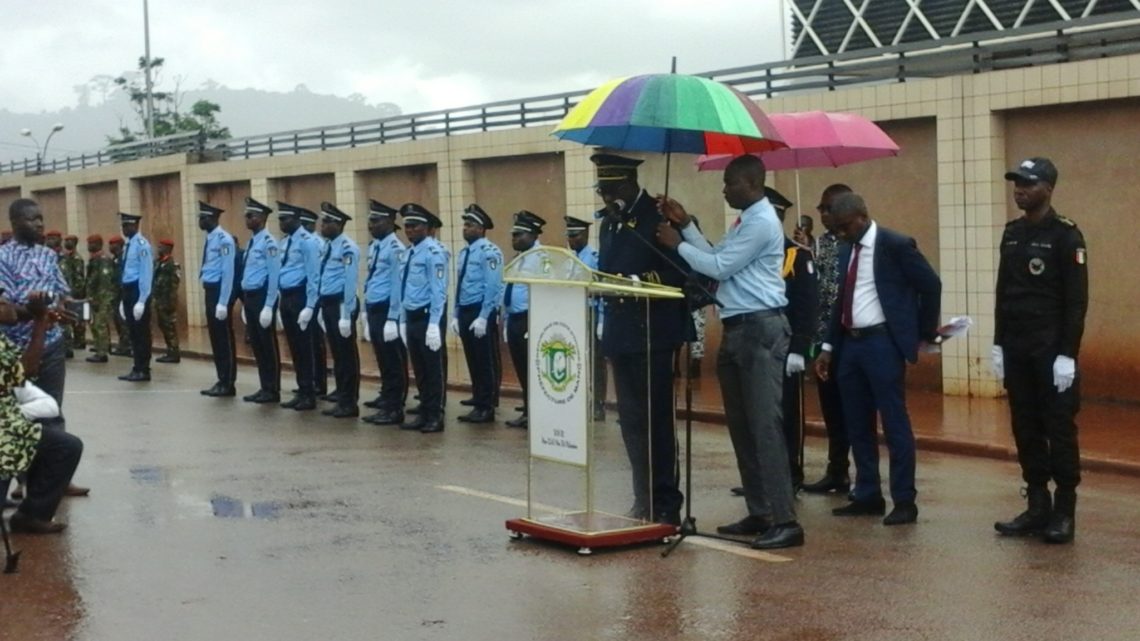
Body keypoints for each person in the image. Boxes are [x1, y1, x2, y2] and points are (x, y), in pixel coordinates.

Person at [657, 154, 803, 549]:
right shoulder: (745, 221)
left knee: (765, 427)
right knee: (741, 426)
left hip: (760, 329)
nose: (724, 190)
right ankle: (761, 512)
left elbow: (718, 267)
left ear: (752, 184)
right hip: (738, 328)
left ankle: (786, 520)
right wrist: (686, 225)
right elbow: (716, 257)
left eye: (730, 183)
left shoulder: (761, 222)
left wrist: (677, 245)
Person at [814, 193, 942, 526]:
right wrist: (828, 347)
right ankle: (867, 492)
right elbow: (840, 300)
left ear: (861, 217)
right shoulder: (847, 249)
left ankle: (904, 500)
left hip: (882, 344)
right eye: (837, 229)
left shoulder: (895, 245)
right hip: (850, 346)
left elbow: (931, 285)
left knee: (894, 422)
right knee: (857, 422)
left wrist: (923, 332)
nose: (840, 234)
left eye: (844, 227)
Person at [992, 158, 1088, 544]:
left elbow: (1077, 301)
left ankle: (1064, 511)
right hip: (1017, 349)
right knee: (1025, 426)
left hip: (1051, 353)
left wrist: (1068, 353)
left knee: (1059, 429)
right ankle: (1036, 505)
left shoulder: (1067, 236)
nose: (1019, 189)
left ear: (1048, 188)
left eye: (1028, 183)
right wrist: (998, 343)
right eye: (1016, 183)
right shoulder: (1012, 233)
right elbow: (1003, 293)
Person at [592, 152, 689, 527]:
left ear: (627, 184)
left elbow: (680, 272)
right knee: (631, 422)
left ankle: (666, 502)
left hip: (654, 331)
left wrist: (636, 284)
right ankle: (643, 497)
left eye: (609, 189)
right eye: (601, 189)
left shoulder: (657, 216)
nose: (603, 197)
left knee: (657, 421)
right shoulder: (610, 224)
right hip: (621, 332)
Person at [0, 198, 88, 498]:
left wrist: (72, 307)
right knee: (19, 415)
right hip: (17, 350)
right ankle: (24, 482)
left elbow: (61, 293)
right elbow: (6, 309)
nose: (39, 224)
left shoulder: (49, 256)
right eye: (31, 219)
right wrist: (34, 310)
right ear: (14, 223)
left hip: (50, 344)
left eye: (40, 218)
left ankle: (56, 479)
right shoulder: (4, 258)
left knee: (52, 411)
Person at [0, 291, 84, 534]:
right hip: (4, 433)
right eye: (1, 301)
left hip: (9, 427)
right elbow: (26, 370)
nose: (6, 303)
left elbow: (26, 369)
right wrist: (38, 323)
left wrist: (41, 318)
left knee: (65, 446)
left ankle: (31, 514)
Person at [802, 184, 859, 495]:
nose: (823, 214)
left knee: (855, 409)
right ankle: (837, 470)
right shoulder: (821, 244)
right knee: (831, 409)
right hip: (823, 338)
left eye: (829, 208)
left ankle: (866, 478)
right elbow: (819, 288)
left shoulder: (856, 242)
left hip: (851, 339)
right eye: (821, 209)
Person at [767, 187, 818, 490]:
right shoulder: (754, 251)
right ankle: (765, 473)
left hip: (787, 345)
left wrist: (800, 348)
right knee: (761, 412)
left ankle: (791, 471)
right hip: (760, 343)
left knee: (788, 411)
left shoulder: (797, 256)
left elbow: (807, 305)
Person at [395, 203, 448, 433]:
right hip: (413, 316)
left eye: (414, 226)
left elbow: (439, 291)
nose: (409, 230)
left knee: (433, 369)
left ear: (426, 228)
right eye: (407, 226)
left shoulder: (434, 253)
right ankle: (424, 412)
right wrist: (403, 319)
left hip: (428, 317)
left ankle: (435, 416)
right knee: (419, 369)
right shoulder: (408, 253)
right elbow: (405, 288)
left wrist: (435, 324)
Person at [452, 204, 503, 425]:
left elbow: (493, 286)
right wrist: (455, 313)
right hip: (465, 309)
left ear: (482, 229)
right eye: (465, 225)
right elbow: (460, 285)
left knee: (485, 360)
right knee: (472, 357)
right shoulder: (464, 253)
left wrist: (484, 316)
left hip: (480, 310)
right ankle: (478, 394)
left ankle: (486, 406)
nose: (465, 229)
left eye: (470, 225)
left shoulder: (490, 252)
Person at [360, 200, 409, 426]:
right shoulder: (376, 246)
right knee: (382, 358)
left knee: (392, 361)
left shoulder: (396, 249)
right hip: (374, 308)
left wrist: (393, 318)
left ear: (389, 222)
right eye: (370, 220)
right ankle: (386, 397)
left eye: (376, 220)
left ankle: (394, 408)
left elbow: (397, 286)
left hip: (388, 310)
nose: (371, 225)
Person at [316, 202, 361, 418]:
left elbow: (350, 283)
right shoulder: (328, 246)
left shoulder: (348, 248)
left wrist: (345, 313)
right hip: (328, 304)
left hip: (342, 304)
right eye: (322, 220)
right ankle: (342, 396)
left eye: (326, 221)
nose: (321, 225)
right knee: (337, 355)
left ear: (339, 224)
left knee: (346, 356)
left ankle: (349, 402)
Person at [275, 201, 321, 411]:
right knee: (294, 346)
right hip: (286, 297)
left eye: (285, 219)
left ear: (296, 219)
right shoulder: (285, 242)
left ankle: (309, 393)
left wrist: (310, 306)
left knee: (305, 347)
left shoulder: (308, 242)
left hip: (301, 297)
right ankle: (301, 389)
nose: (281, 223)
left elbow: (313, 276)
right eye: (280, 219)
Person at [502, 211, 545, 429]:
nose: (514, 240)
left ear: (532, 235)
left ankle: (536, 413)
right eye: (513, 235)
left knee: (532, 369)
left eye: (519, 235)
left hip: (530, 319)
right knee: (521, 368)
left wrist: (535, 324)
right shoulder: (519, 258)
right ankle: (528, 409)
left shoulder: (540, 259)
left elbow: (544, 293)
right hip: (516, 319)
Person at [238, 198, 282, 404]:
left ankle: (272, 389)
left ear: (262, 218)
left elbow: (274, 276)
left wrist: (269, 306)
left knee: (267, 345)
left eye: (251, 215)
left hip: (263, 297)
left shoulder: (269, 243)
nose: (247, 219)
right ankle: (264, 386)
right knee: (256, 344)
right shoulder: (252, 242)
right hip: (251, 297)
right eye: (246, 215)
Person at [565, 215, 606, 421]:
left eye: (575, 235)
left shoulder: (594, 257)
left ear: (586, 234)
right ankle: (579, 400)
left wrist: (601, 321)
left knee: (595, 362)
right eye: (569, 235)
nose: (572, 239)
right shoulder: (570, 258)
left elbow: (600, 292)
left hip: (590, 312)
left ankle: (598, 403)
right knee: (576, 359)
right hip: (573, 312)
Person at [198, 201, 238, 397]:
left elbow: (228, 272)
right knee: (215, 337)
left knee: (223, 338)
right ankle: (221, 378)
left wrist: (223, 301)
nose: (200, 220)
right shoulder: (211, 238)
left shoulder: (224, 240)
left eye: (203, 217)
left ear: (212, 218)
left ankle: (228, 382)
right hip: (210, 289)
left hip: (219, 292)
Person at [116, 212, 154, 382]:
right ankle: (136, 367)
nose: (125, 229)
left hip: (138, 290)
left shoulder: (142, 245)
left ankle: (144, 369)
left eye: (128, 225)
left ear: (136, 226)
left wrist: (142, 300)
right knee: (133, 331)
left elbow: (146, 273)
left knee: (141, 332)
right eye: (123, 226)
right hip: (128, 290)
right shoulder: (128, 245)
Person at [299, 208, 329, 397]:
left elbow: (315, 274)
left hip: (315, 296)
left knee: (316, 342)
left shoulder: (317, 243)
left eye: (304, 224)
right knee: (306, 343)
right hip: (304, 295)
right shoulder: (302, 242)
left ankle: (320, 381)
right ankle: (310, 380)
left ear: (311, 224)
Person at [84, 234, 116, 364]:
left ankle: (102, 353)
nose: (89, 246)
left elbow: (104, 281)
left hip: (102, 298)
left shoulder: (103, 260)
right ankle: (99, 347)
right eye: (88, 243)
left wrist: (97, 299)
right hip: (95, 297)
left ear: (98, 244)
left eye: (92, 243)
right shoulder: (94, 260)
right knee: (95, 323)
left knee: (100, 324)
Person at [153, 238, 181, 363]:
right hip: (159, 300)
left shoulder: (172, 264)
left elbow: (174, 284)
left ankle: (174, 352)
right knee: (163, 325)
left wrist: (169, 302)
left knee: (170, 327)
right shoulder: (158, 262)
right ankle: (169, 350)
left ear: (168, 248)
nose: (158, 249)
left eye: (161, 247)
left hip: (168, 301)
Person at [59, 234, 87, 357]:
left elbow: (78, 277)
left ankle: (79, 340)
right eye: (66, 240)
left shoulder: (77, 258)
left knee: (77, 318)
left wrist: (77, 292)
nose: (67, 242)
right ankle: (72, 342)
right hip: (67, 292)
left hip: (75, 292)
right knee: (69, 318)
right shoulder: (65, 258)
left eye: (70, 240)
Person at [108, 234, 131, 357]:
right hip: (115, 294)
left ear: (119, 245)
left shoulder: (124, 258)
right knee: (117, 320)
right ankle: (123, 344)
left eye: (113, 244)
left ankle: (127, 345)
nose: (110, 247)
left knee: (124, 320)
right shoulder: (115, 259)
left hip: (123, 293)